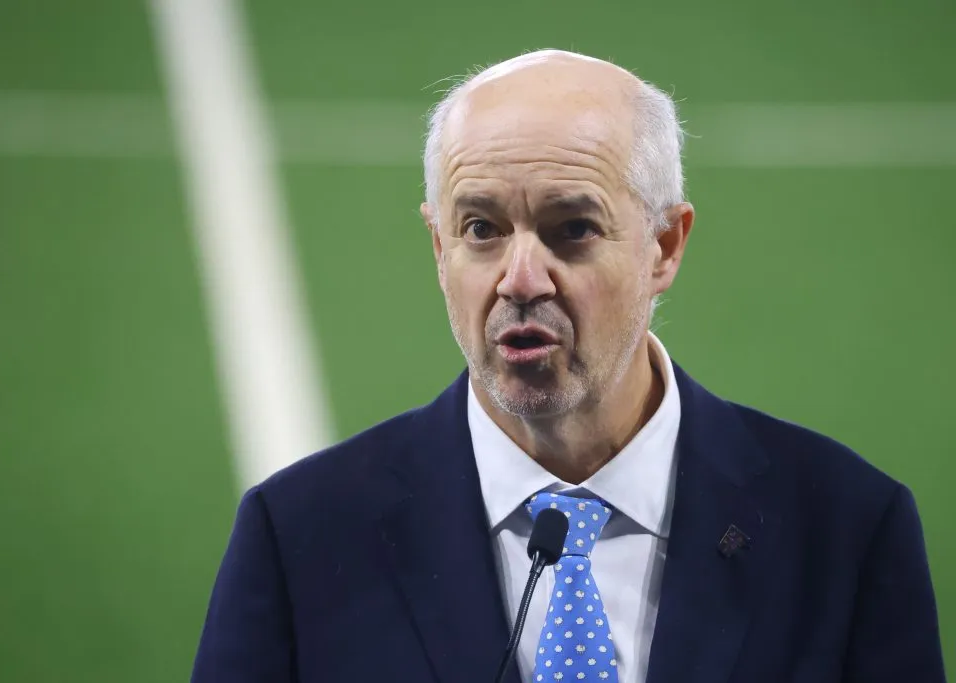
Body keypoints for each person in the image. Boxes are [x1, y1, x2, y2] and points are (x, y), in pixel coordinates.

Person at [189, 49, 946, 683]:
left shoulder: (847, 530)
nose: (520, 278)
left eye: (571, 229)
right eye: (481, 228)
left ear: (664, 245)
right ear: (438, 247)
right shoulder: (299, 538)